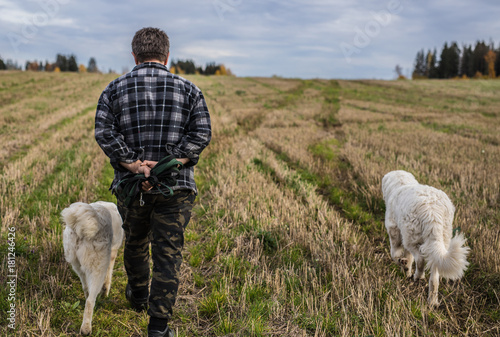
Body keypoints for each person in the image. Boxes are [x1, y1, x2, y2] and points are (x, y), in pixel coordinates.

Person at [94, 27, 211, 337]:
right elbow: (201, 134)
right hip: (175, 188)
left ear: (134, 55)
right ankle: (158, 329)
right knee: (167, 254)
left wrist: (133, 163)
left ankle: (139, 296)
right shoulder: (190, 90)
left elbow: (104, 133)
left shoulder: (113, 89)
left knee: (134, 241)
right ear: (166, 56)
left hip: (131, 187)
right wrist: (169, 163)